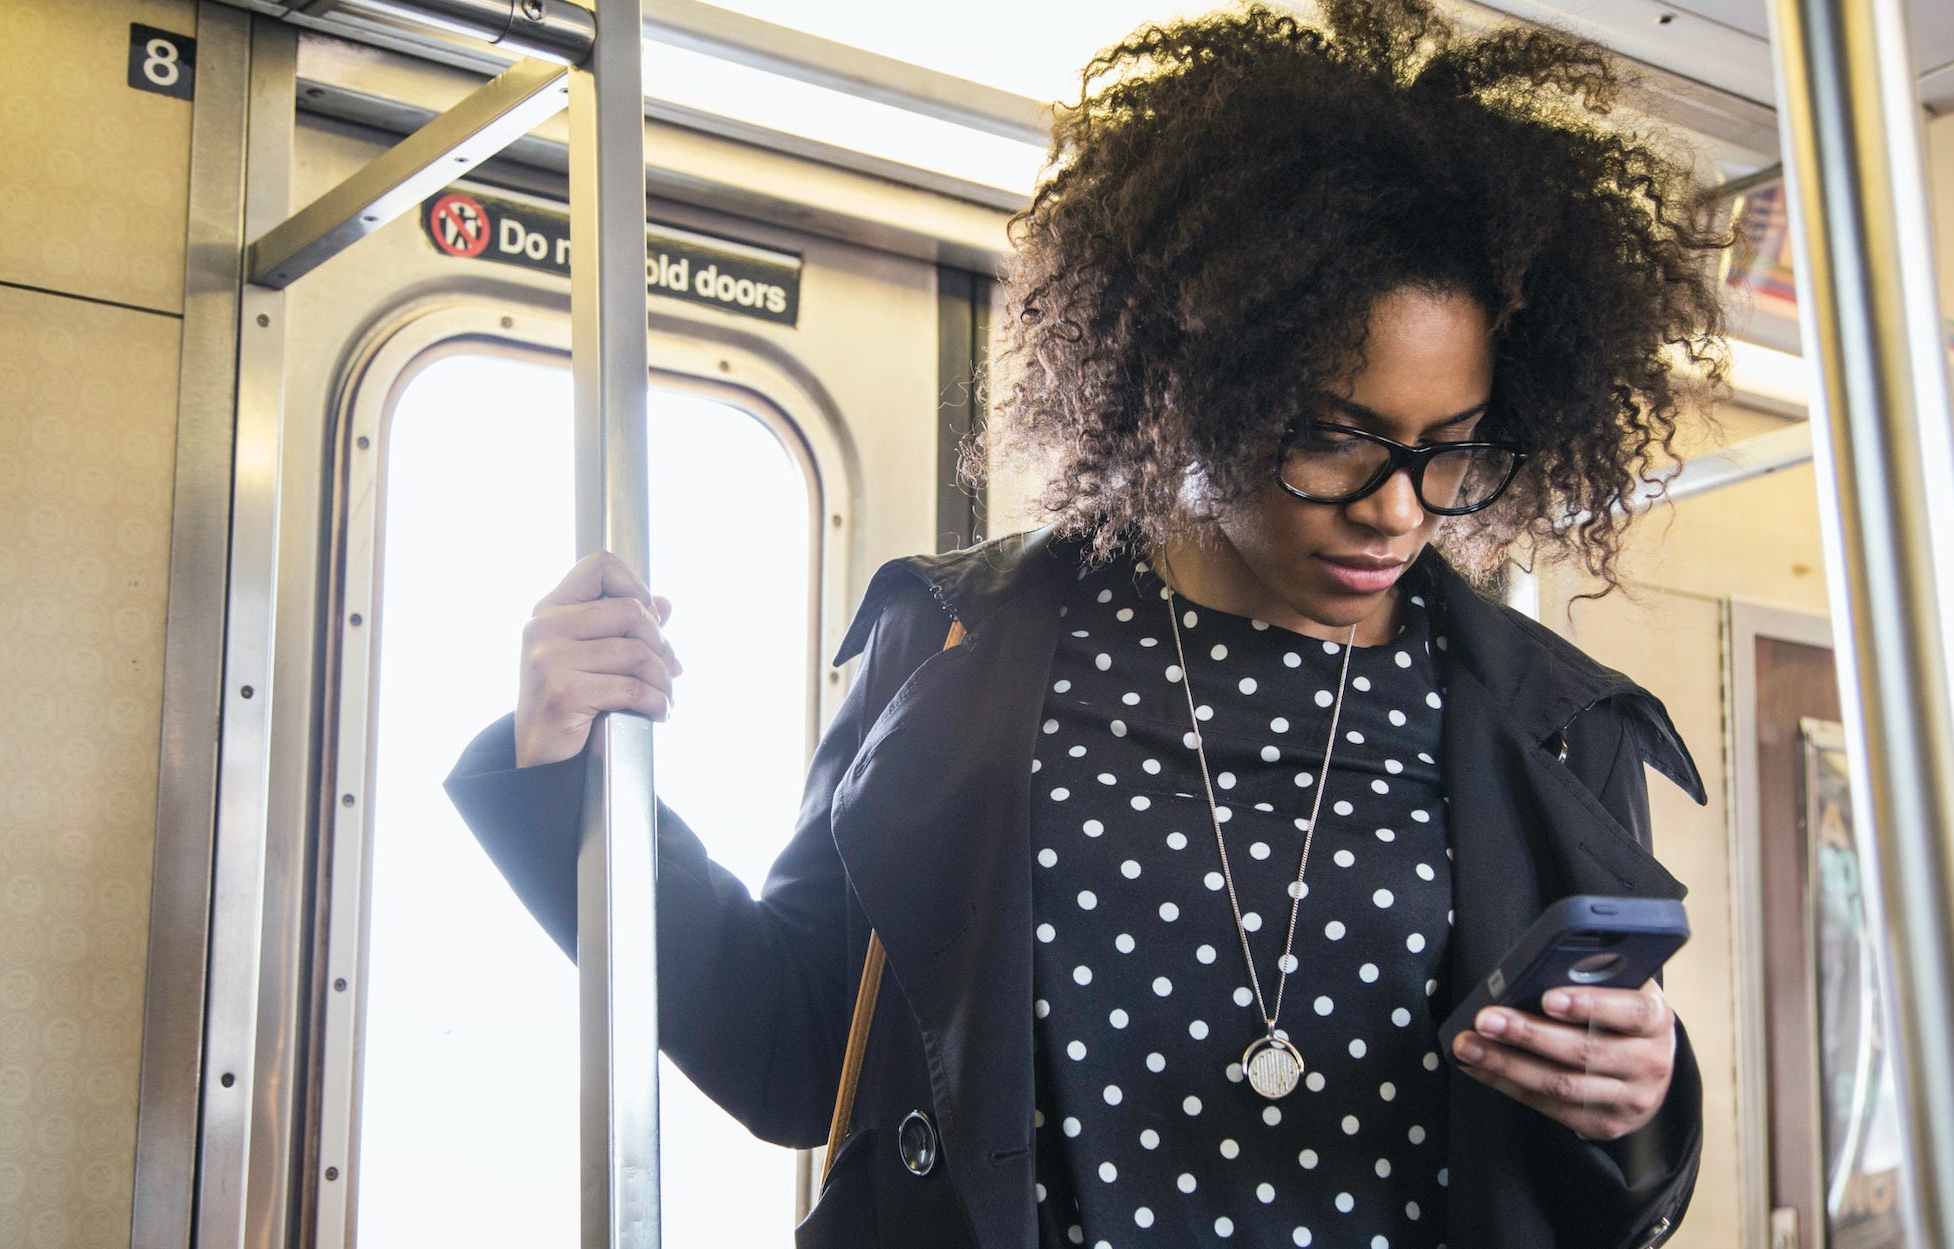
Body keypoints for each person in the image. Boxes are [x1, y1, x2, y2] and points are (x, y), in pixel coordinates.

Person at [443, 0, 1727, 1245]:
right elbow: (791, 1046)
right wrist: (570, 779)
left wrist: (1642, 1107)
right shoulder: (963, 649)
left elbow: (1588, 1184)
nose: (1399, 509)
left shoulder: (1554, 728)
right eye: (1333, 436)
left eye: (1450, 450)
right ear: (1194, 387)